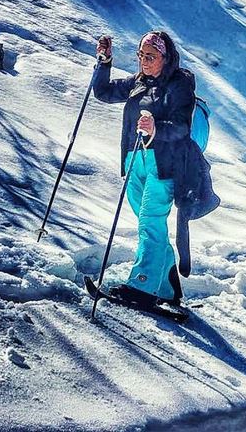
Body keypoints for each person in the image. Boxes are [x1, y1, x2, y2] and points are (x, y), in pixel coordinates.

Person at [93, 30, 196, 307]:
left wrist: (156, 128)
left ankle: (142, 285)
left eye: (150, 56)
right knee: (147, 223)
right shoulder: (139, 82)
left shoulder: (180, 83)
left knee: (151, 220)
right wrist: (104, 62)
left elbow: (182, 127)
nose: (144, 61)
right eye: (141, 55)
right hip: (134, 160)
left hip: (165, 165)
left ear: (166, 56)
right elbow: (102, 92)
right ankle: (167, 284)